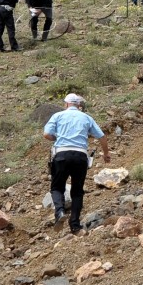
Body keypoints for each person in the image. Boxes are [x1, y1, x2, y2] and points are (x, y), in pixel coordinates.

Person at [43, 93, 109, 235]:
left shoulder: (58, 116)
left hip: (61, 154)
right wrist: (106, 154)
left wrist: (57, 137)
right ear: (78, 105)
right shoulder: (86, 117)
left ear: (66, 104)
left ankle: (60, 211)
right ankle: (75, 226)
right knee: (77, 191)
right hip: (80, 156)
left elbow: (46, 134)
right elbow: (102, 137)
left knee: (57, 187)